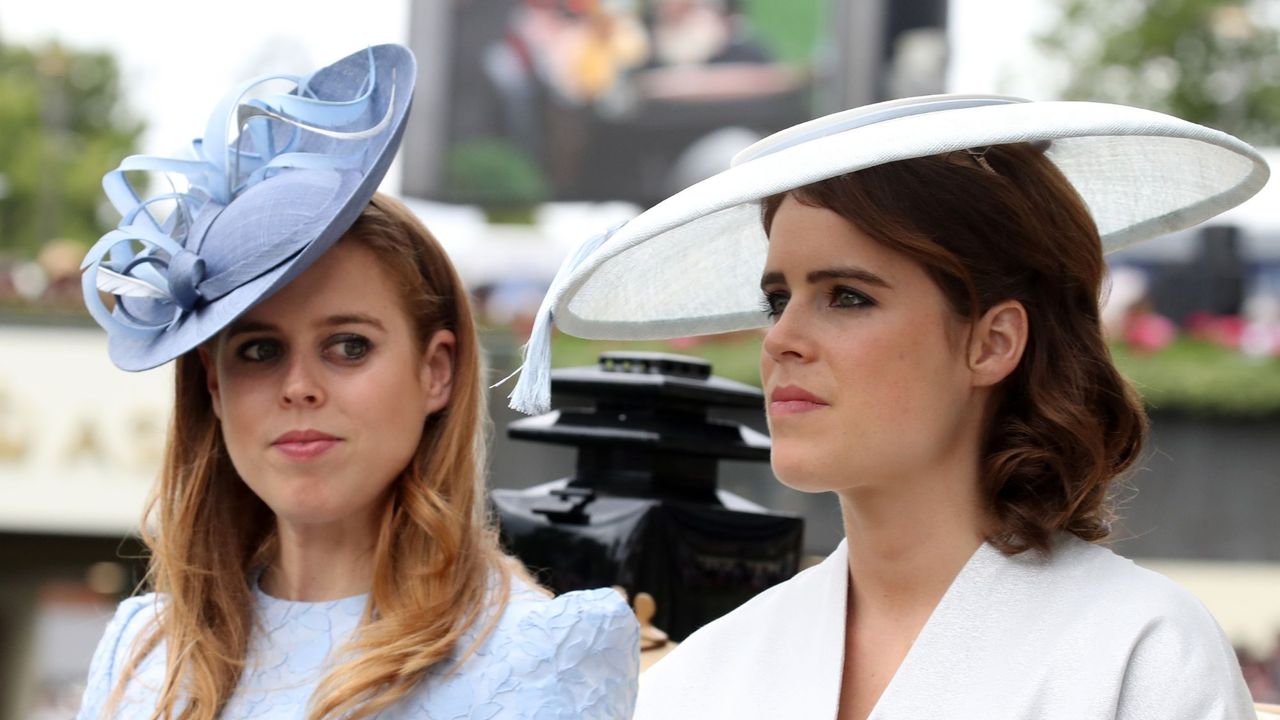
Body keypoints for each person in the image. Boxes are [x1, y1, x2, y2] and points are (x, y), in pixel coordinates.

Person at [507, 94, 1270, 718]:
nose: (782, 341)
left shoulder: (1140, 654)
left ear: (992, 341)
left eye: (845, 296)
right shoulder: (707, 673)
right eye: (778, 299)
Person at [76, 45, 638, 719]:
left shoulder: (542, 656)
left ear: (436, 371)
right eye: (258, 351)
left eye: (348, 346)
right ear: (214, 387)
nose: (300, 386)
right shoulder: (141, 653)